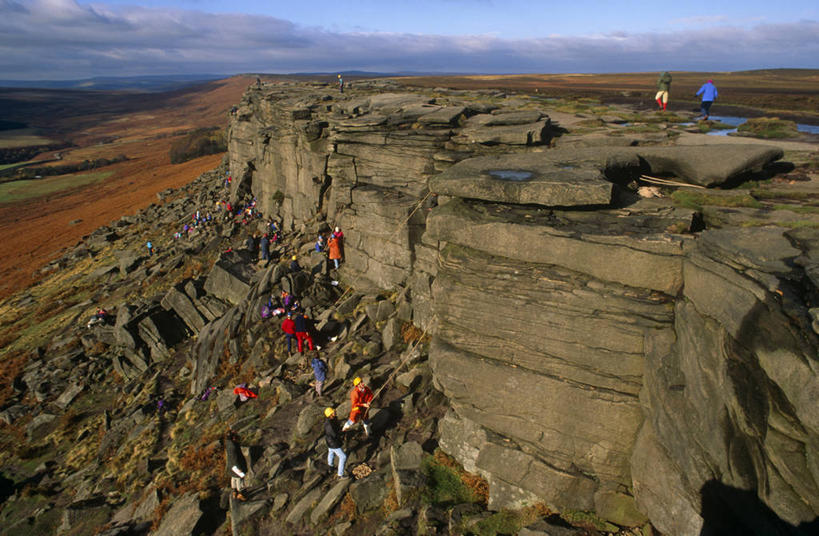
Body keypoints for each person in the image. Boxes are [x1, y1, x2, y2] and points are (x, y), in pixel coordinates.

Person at [324, 408, 348, 478]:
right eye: (333, 412)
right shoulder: (329, 425)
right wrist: (343, 431)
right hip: (333, 443)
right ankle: (340, 475)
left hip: (329, 441)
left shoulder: (331, 420)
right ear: (330, 414)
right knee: (343, 457)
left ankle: (330, 466)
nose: (335, 412)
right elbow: (335, 434)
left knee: (331, 452)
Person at [225, 430, 248, 501]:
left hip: (230, 465)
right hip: (236, 465)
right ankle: (240, 493)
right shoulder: (233, 446)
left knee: (233, 477)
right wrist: (239, 468)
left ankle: (234, 492)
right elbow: (235, 458)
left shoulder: (227, 443)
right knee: (239, 478)